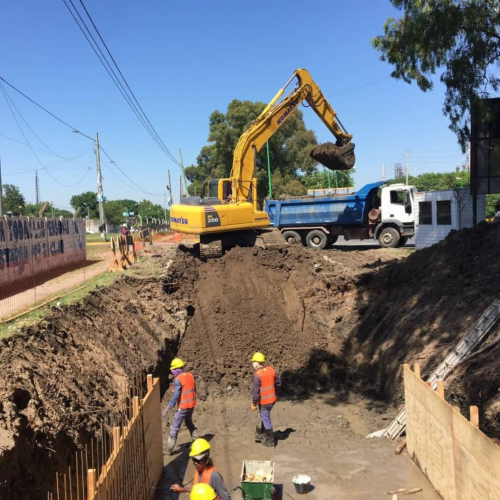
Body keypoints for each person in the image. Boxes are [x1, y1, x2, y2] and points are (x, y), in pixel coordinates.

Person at [163, 357, 199, 454]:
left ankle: (168, 450)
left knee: (175, 426)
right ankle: (196, 440)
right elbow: (194, 389)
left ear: (177, 369)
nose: (172, 371)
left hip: (183, 406)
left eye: (173, 369)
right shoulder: (190, 375)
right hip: (192, 404)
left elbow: (175, 396)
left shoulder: (178, 380)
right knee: (188, 422)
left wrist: (168, 407)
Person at [251, 352, 281, 447]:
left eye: (253, 362)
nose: (252, 364)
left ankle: (271, 441)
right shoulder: (271, 370)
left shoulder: (257, 375)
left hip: (264, 402)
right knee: (264, 416)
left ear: (256, 363)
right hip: (272, 399)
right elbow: (278, 383)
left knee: (266, 419)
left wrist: (253, 403)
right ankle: (263, 434)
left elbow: (256, 392)